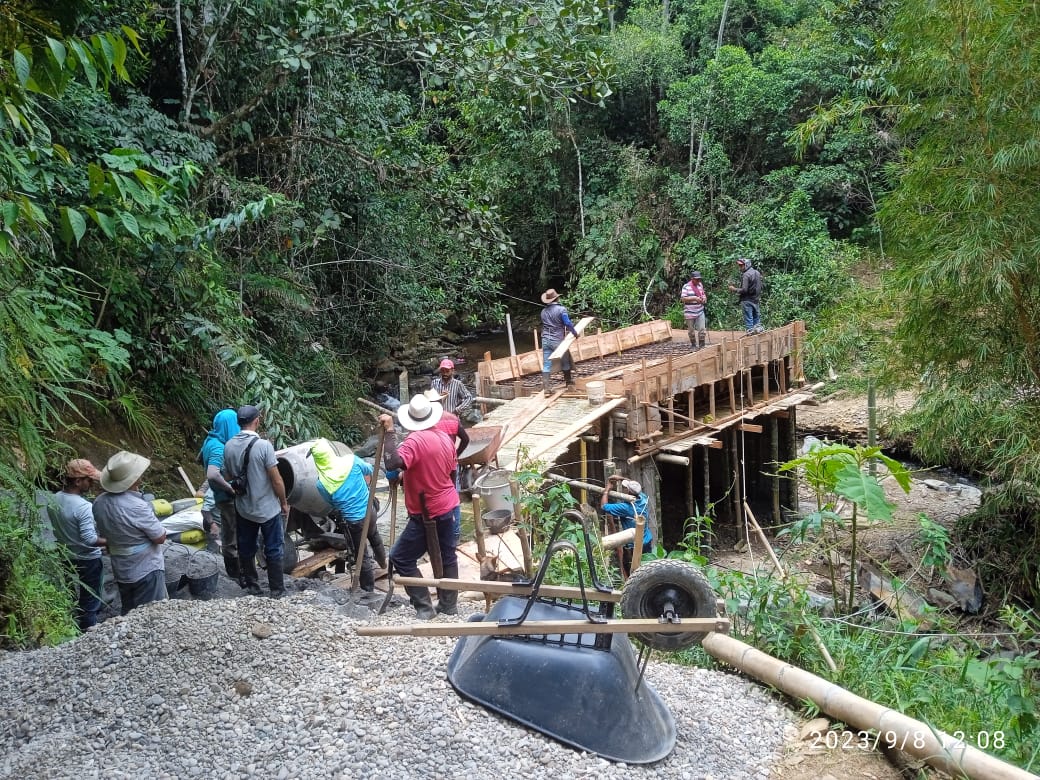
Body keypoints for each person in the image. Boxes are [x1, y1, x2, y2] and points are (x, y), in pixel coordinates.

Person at [379, 394, 460, 619]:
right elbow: (450, 473)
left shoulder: (415, 441)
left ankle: (425, 607)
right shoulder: (444, 437)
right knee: (447, 555)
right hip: (447, 504)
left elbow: (393, 463)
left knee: (401, 557)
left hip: (427, 511)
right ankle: (449, 605)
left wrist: (389, 432)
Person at [222, 404, 290, 598]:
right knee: (274, 548)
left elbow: (226, 475)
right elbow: (276, 480)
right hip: (267, 508)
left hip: (244, 508)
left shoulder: (228, 445)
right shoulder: (263, 446)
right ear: (257, 421)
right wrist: (283, 502)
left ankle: (253, 586)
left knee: (246, 546)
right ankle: (277, 590)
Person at [93, 451, 168, 615]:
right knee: (152, 614)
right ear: (135, 479)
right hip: (146, 568)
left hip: (121, 567)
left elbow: (103, 532)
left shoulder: (99, 502)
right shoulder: (137, 506)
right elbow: (160, 537)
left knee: (129, 612)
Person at [309, 438, 387, 593]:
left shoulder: (322, 483)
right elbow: (370, 471)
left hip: (354, 521)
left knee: (361, 555)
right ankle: (383, 563)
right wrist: (361, 487)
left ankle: (367, 590)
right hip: (369, 510)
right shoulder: (351, 461)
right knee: (374, 535)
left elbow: (331, 503)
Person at [48, 459, 107, 630]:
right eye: (89, 480)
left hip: (66, 556)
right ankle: (88, 632)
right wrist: (112, 541)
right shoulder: (83, 507)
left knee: (70, 594)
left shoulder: (54, 499)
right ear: (78, 481)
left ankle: (70, 628)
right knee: (90, 598)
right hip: (88, 559)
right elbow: (89, 539)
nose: (92, 484)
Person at [198, 408, 243, 585]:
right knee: (232, 537)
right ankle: (236, 576)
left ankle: (235, 573)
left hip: (220, 497)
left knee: (229, 535)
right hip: (226, 498)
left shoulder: (210, 441)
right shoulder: (218, 447)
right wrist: (230, 489)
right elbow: (212, 474)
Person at [425, 388, 470, 538]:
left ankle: (436, 531)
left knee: (434, 496)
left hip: (432, 466)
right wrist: (455, 455)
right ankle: (455, 532)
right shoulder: (451, 418)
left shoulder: (426, 423)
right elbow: (466, 439)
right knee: (453, 495)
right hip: (450, 464)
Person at [600, 474, 653, 576]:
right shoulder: (643, 498)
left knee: (633, 571)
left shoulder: (626, 508)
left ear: (628, 492)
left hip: (634, 545)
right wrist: (621, 478)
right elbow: (634, 486)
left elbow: (604, 506)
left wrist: (607, 490)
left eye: (625, 488)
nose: (624, 489)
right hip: (646, 540)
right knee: (647, 567)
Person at [540, 288, 580, 393]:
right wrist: (575, 333)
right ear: (557, 298)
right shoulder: (561, 310)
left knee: (546, 364)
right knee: (565, 360)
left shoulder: (543, 311)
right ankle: (568, 382)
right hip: (558, 340)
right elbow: (567, 323)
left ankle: (546, 388)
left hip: (545, 340)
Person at [430, 359, 478, 423]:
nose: (445, 373)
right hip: (438, 419)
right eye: (442, 371)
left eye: (447, 371)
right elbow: (430, 400)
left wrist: (457, 410)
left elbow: (469, 398)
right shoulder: (435, 383)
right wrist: (439, 397)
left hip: (452, 418)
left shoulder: (458, 384)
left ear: (452, 371)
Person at [728, 257, 764, 333]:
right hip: (756, 299)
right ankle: (757, 335)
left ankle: (750, 334)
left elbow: (744, 290)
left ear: (747, 265)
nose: (740, 268)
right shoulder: (757, 272)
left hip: (747, 300)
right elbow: (760, 286)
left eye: (741, 266)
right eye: (740, 266)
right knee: (756, 319)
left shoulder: (746, 275)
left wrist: (734, 289)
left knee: (749, 320)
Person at [680, 270, 708, 350]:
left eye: (699, 279)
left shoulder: (700, 285)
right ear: (692, 279)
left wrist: (704, 299)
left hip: (699, 311)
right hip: (689, 312)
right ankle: (693, 345)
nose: (698, 281)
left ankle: (702, 345)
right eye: (696, 279)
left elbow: (703, 295)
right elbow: (683, 298)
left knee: (702, 329)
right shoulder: (686, 287)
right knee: (691, 330)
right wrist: (694, 298)